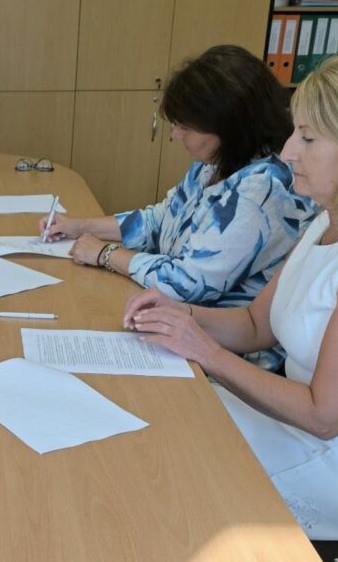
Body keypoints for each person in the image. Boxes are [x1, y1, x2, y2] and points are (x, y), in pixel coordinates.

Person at [124, 53, 338, 541]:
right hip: (297, 426)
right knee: (158, 417)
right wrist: (179, 313)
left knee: (165, 468)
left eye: (308, 138)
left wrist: (205, 353)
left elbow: (326, 416)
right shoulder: (328, 218)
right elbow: (257, 325)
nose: (287, 151)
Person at [40, 45, 315, 368]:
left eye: (185, 126)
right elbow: (161, 219)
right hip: (183, 330)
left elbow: (188, 284)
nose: (174, 135)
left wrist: (106, 254)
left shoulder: (262, 190)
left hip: (227, 356)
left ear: (226, 124)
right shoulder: (216, 163)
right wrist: (81, 226)